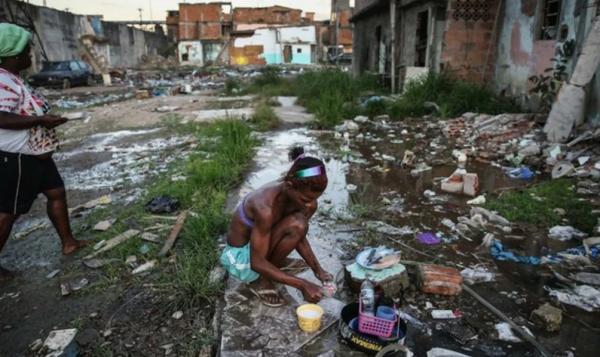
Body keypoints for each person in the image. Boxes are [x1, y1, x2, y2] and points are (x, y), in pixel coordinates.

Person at [0, 23, 87, 281]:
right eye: (27, 52)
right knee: (8, 212)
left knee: (56, 192)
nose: (30, 56)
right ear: (11, 55)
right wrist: (41, 121)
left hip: (36, 153)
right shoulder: (1, 80)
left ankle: (68, 242)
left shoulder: (12, 78)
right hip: (15, 158)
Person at [220, 147, 333, 307]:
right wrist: (302, 284)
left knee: (299, 224)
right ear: (289, 186)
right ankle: (261, 281)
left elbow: (298, 235)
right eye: (305, 198)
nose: (310, 204)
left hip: (258, 243)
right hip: (242, 258)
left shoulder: (300, 197)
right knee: (297, 223)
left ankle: (274, 264)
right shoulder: (264, 207)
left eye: (315, 198)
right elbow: (256, 262)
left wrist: (317, 269)